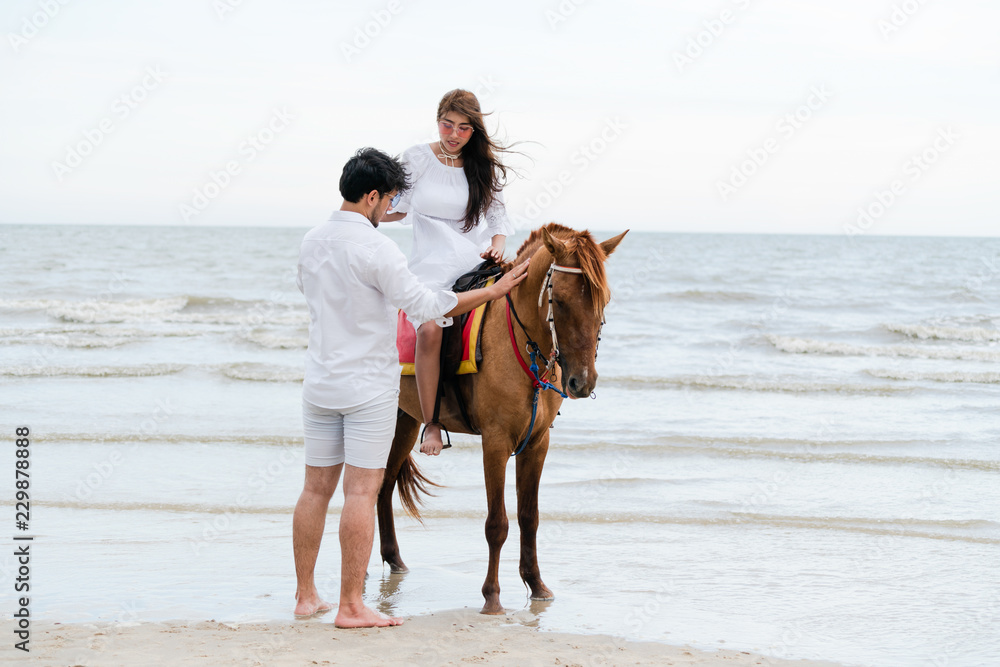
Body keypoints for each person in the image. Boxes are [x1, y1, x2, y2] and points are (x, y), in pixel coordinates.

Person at [292, 147, 529, 628]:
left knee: (315, 490)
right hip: (366, 389)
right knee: (361, 493)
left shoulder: (311, 241)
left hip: (318, 382)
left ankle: (305, 596)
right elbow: (425, 305)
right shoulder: (378, 249)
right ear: (373, 195)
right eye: (391, 200)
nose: (392, 210)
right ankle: (351, 607)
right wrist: (493, 291)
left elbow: (309, 293)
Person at [381, 89, 516, 456]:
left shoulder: (482, 166)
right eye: (447, 125)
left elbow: (497, 217)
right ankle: (432, 423)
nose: (454, 134)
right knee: (428, 328)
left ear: (474, 131)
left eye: (464, 128)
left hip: (474, 259)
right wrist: (368, 211)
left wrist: (499, 245)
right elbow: (398, 206)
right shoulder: (418, 158)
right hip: (430, 264)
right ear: (437, 120)